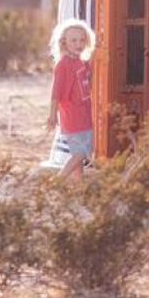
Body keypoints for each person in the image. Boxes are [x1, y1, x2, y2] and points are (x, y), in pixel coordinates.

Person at [44, 19, 95, 179]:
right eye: (73, 40)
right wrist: (52, 115)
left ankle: (78, 190)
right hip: (72, 117)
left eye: (81, 40)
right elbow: (56, 93)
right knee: (82, 153)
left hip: (85, 116)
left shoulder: (82, 62)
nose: (78, 44)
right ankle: (57, 180)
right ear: (64, 42)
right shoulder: (63, 65)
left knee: (78, 157)